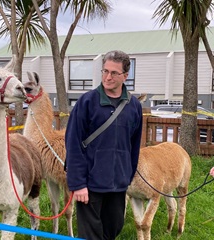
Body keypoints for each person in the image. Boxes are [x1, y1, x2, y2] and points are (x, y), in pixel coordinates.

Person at [65, 50, 143, 240]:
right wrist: (78, 184)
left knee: (113, 229)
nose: (108, 77)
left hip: (118, 185)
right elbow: (73, 144)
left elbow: (133, 146)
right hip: (90, 185)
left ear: (125, 76)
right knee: (91, 235)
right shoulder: (86, 102)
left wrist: (127, 175)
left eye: (114, 73)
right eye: (105, 71)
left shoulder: (134, 106)